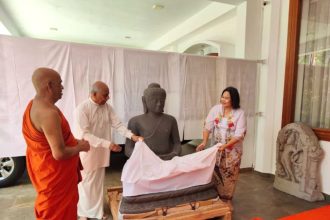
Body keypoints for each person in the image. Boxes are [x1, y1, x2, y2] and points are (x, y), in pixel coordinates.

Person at [22, 67, 90, 220]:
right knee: (58, 212)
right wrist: (80, 147)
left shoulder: (34, 105)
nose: (62, 87)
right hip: (55, 175)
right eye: (60, 83)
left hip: (46, 170)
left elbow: (51, 140)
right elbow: (59, 153)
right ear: (49, 86)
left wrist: (73, 141)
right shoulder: (48, 114)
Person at [74, 81, 143, 220]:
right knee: (86, 184)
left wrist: (132, 136)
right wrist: (108, 144)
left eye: (108, 95)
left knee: (98, 183)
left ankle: (97, 212)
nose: (107, 98)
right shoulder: (82, 109)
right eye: (105, 95)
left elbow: (118, 125)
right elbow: (84, 135)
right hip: (87, 152)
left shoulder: (107, 108)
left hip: (101, 152)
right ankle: (83, 213)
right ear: (93, 94)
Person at [196, 86, 246, 208]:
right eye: (222, 97)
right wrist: (204, 142)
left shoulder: (240, 113)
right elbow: (208, 126)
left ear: (233, 100)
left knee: (229, 175)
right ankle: (216, 198)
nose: (223, 100)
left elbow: (239, 135)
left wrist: (226, 146)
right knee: (215, 173)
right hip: (216, 149)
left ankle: (227, 199)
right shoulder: (215, 109)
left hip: (232, 151)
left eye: (227, 98)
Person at [125, 83, 181, 160]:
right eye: (154, 101)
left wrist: (174, 154)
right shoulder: (135, 121)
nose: (159, 104)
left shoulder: (171, 120)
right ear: (144, 100)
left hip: (167, 159)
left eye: (162, 100)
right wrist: (142, 157)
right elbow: (128, 149)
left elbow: (177, 144)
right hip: (145, 160)